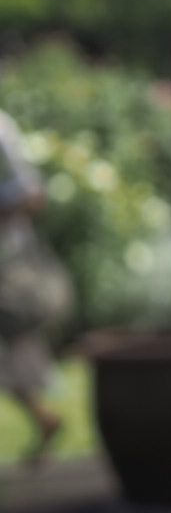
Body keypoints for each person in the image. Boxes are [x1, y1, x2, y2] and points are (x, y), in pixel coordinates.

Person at [0, 108, 64, 465]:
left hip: (7, 263)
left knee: (16, 350)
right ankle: (44, 419)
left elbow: (31, 195)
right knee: (17, 354)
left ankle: (44, 419)